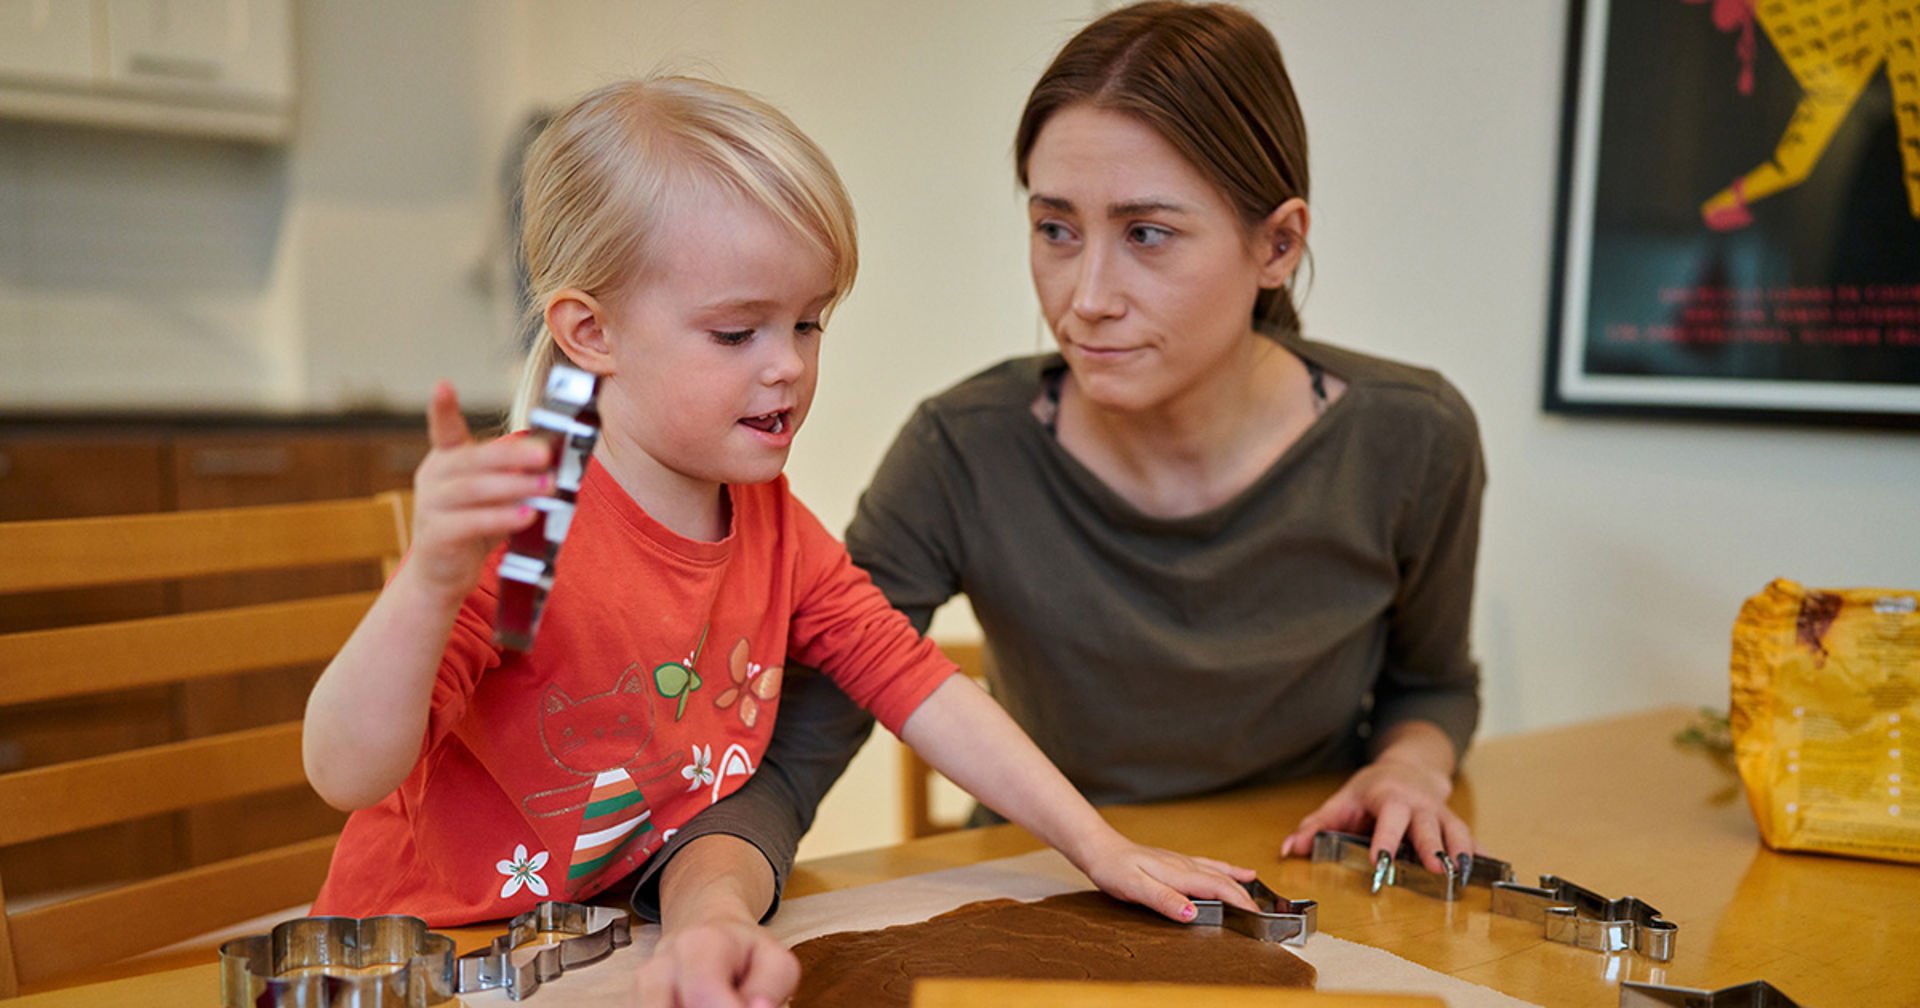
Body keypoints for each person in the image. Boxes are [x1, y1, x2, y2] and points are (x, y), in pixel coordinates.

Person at [300, 75, 1255, 1008]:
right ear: (591, 332)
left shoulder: (769, 521)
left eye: (807, 323)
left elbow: (918, 685)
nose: (788, 366)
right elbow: (345, 772)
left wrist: (1098, 847)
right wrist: (426, 586)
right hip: (427, 968)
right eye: (735, 333)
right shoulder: (527, 518)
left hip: (606, 959)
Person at [646, 0, 1489, 975]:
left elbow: (1432, 682)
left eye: (1148, 234)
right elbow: (791, 757)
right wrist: (709, 912)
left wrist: (1411, 764)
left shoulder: (1413, 437)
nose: (1084, 297)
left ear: (1278, 244)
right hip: (1039, 896)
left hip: (1301, 899)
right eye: (1055, 228)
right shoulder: (962, 451)